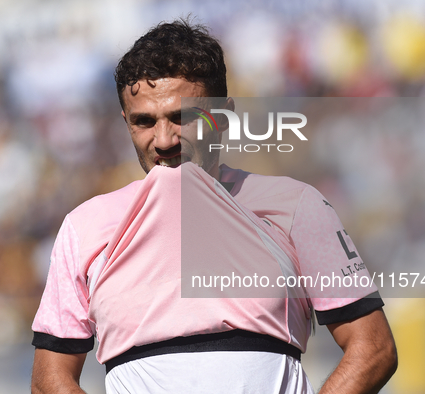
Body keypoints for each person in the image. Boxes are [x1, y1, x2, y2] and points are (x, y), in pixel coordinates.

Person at [30, 19, 397, 394]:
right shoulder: (85, 227)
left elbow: (373, 347)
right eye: (144, 122)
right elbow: (49, 379)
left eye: (182, 117)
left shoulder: (298, 206)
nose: (163, 140)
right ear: (126, 123)